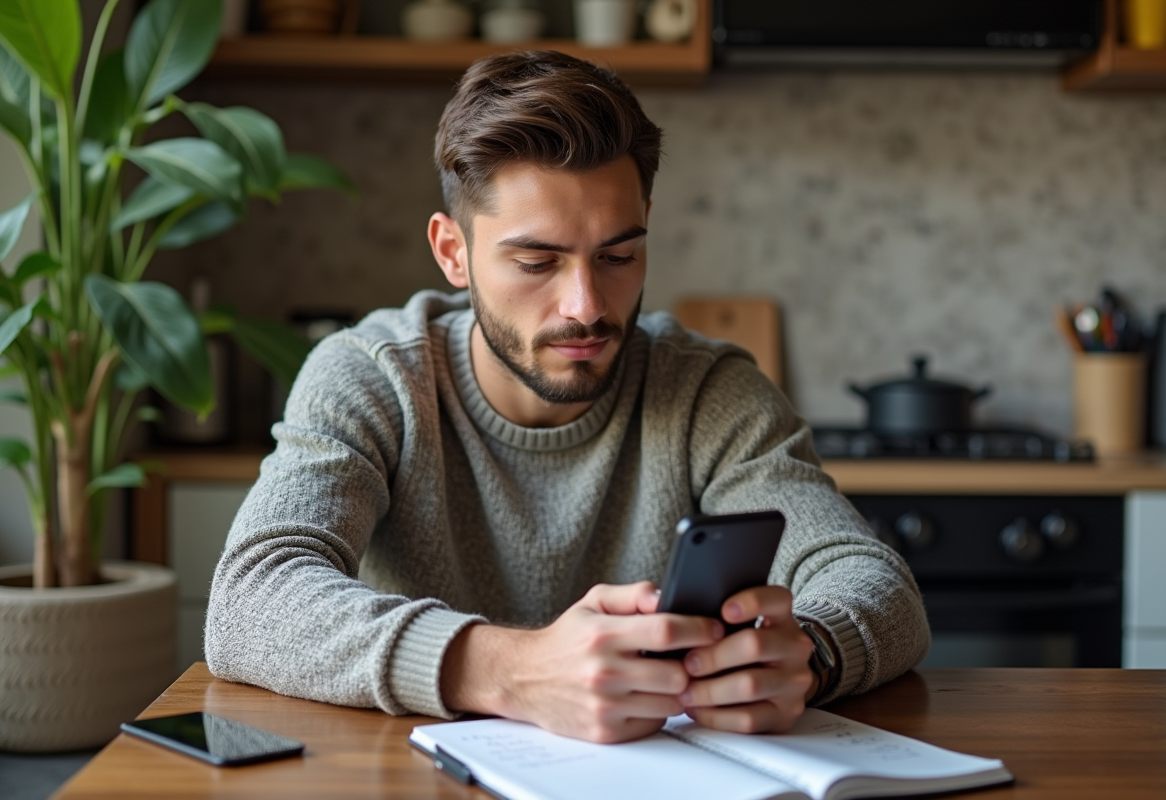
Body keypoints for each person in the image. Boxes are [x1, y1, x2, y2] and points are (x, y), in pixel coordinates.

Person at [205, 50, 930, 744]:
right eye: (535, 261)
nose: (585, 305)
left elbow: (875, 585)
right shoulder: (371, 376)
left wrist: (811, 653)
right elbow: (249, 602)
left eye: (618, 256)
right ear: (453, 252)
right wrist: (510, 671)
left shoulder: (710, 389)